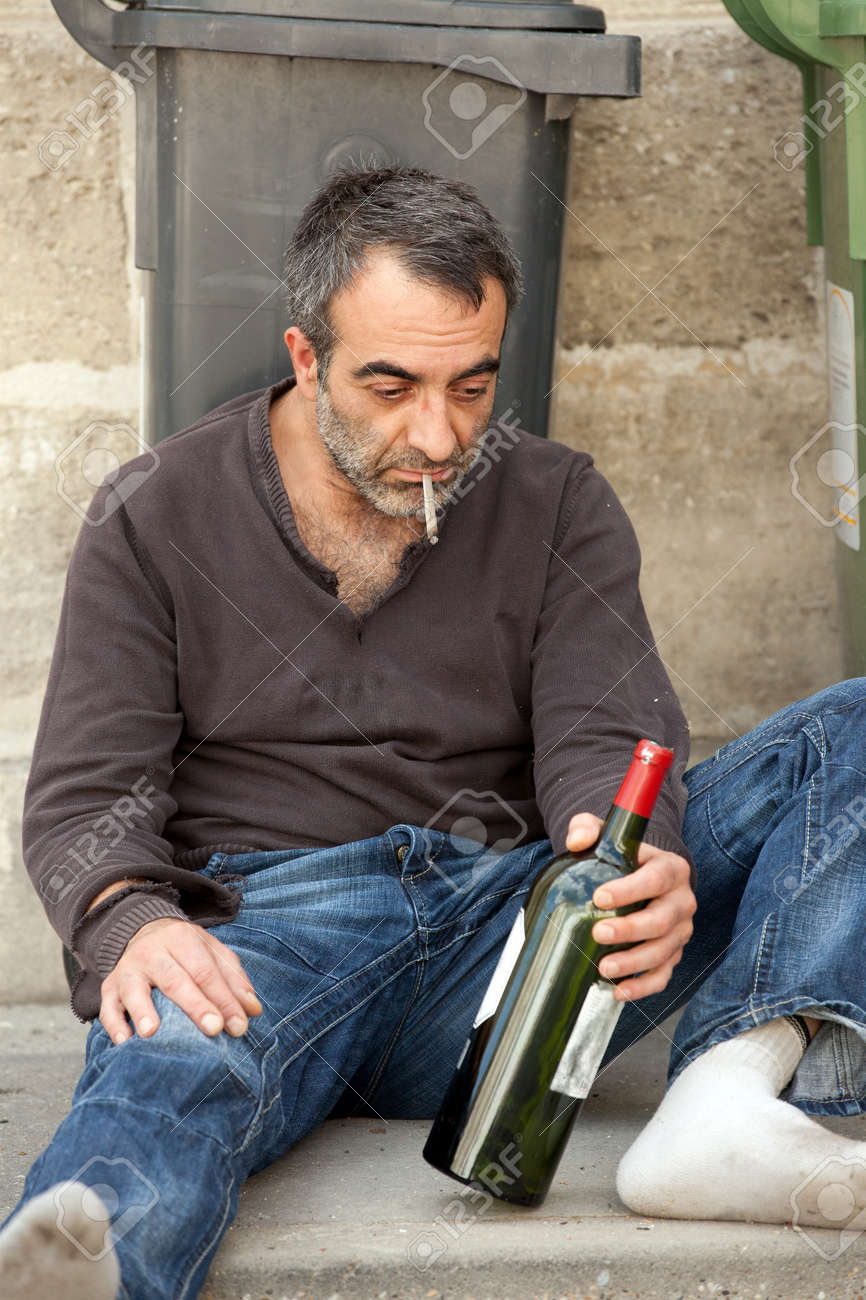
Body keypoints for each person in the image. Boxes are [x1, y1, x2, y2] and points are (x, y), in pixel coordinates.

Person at [2, 163, 865, 1300]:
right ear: (306, 357)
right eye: (391, 383)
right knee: (174, 1050)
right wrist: (128, 921)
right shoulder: (154, 509)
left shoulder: (553, 496)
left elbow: (604, 721)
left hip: (504, 934)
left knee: (847, 731)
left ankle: (726, 1100)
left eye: (471, 386)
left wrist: (634, 850)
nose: (438, 432)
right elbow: (81, 798)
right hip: (267, 935)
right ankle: (96, 1254)